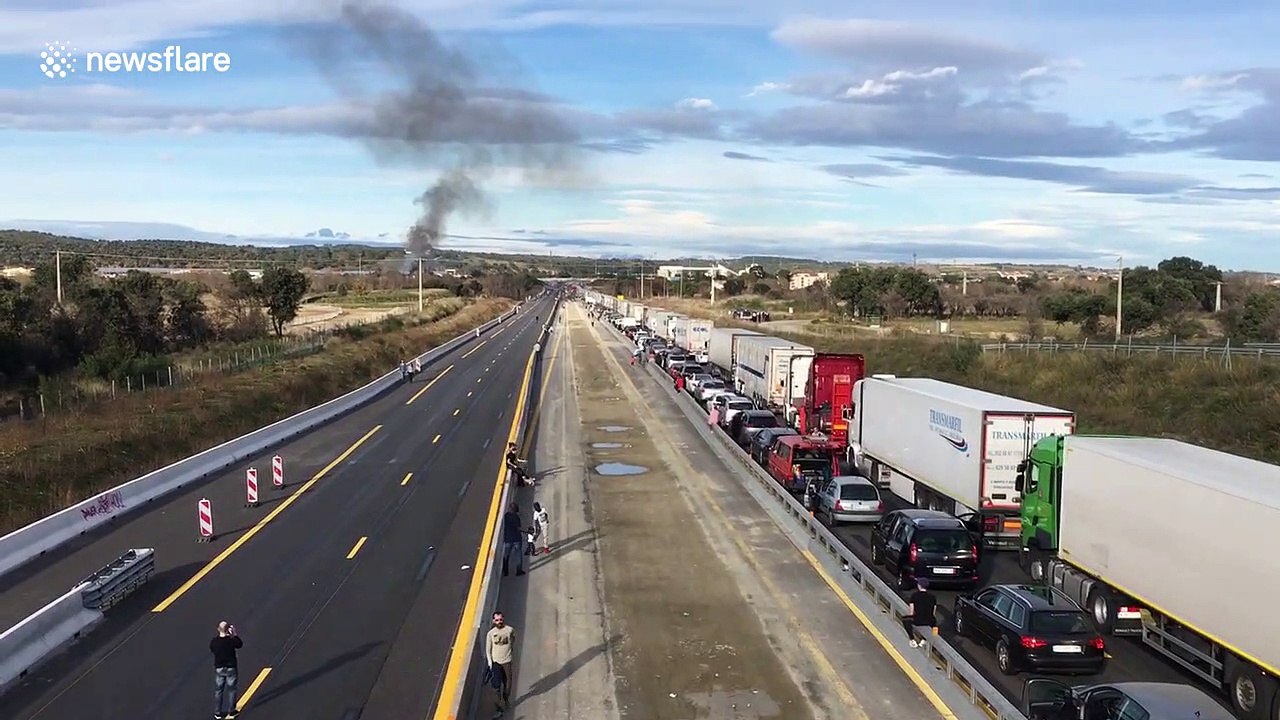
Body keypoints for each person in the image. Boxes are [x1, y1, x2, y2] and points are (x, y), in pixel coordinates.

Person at [485, 611, 517, 715]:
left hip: (507, 662)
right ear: (493, 621)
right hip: (496, 663)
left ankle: (506, 697)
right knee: (496, 687)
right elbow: (488, 649)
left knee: (508, 684)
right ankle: (498, 707)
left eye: (501, 619)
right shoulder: (490, 634)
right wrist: (490, 663)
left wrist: (510, 652)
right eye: (497, 620)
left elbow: (513, 640)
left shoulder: (510, 630)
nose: (499, 622)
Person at [210, 621, 243, 719]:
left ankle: (217, 712)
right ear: (228, 629)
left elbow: (212, 649)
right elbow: (239, 644)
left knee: (219, 690)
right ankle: (232, 710)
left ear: (218, 629)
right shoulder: (231, 641)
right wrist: (234, 634)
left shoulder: (214, 641)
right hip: (231, 667)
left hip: (219, 668)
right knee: (232, 689)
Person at [903, 579, 938, 648]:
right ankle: (931, 638)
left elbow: (911, 612)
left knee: (905, 620)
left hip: (918, 620)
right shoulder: (933, 597)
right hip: (930, 621)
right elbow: (933, 612)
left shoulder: (914, 596)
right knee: (935, 624)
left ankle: (912, 639)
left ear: (919, 586)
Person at [501, 502, 526, 577]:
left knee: (506, 555)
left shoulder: (506, 516)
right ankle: (518, 571)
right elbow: (518, 528)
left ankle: (505, 571)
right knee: (518, 555)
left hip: (508, 539)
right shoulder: (516, 518)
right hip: (517, 539)